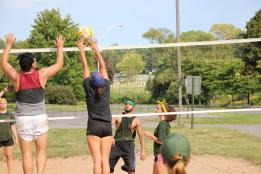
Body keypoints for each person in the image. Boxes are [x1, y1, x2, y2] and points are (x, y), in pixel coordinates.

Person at [0, 33, 64, 174]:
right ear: (33, 64)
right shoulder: (41, 74)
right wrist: (60, 47)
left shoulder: (16, 77)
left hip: (23, 119)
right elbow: (59, 64)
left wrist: (8, 45)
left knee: (26, 154)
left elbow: (3, 63)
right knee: (41, 152)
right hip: (40, 118)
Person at [76, 36, 112, 174]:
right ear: (102, 82)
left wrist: (82, 50)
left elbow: (85, 66)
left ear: (91, 82)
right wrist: (96, 49)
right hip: (107, 125)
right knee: (105, 161)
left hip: (94, 125)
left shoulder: (88, 87)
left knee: (97, 161)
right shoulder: (107, 86)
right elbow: (102, 66)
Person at [109, 98, 146, 174]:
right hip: (117, 144)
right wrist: (110, 137)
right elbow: (107, 126)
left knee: (132, 170)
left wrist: (143, 150)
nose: (127, 105)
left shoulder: (136, 120)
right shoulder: (117, 116)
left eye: (130, 104)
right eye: (126, 104)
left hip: (129, 145)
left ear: (133, 107)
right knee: (107, 167)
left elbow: (141, 136)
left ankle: (127, 166)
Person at [144, 100, 177, 174]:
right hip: (159, 155)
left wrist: (150, 135)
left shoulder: (163, 123)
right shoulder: (164, 123)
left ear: (163, 112)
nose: (155, 109)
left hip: (161, 155)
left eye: (157, 108)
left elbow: (161, 141)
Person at [0, 91, 18, 174]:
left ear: (7, 104)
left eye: (4, 103)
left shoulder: (10, 114)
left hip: (8, 138)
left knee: (9, 156)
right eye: (0, 103)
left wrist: (16, 137)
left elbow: (13, 126)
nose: (2, 104)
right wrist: (2, 92)